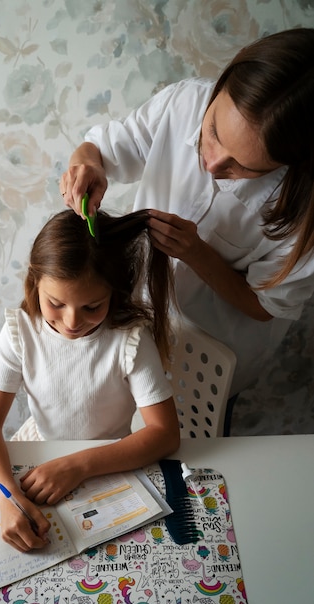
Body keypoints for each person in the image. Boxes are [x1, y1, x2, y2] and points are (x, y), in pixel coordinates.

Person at [60, 28, 314, 428]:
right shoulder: (184, 103)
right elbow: (103, 148)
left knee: (190, 450)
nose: (212, 164)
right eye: (212, 132)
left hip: (209, 361)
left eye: (243, 166)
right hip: (135, 326)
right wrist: (87, 163)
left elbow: (266, 306)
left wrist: (197, 254)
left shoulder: (306, 209)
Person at [0, 209, 180, 553]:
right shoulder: (19, 333)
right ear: (35, 283)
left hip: (111, 459)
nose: (71, 322)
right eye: (56, 303)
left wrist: (79, 464)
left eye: (92, 306)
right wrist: (5, 496)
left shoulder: (129, 340)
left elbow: (165, 433)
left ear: (115, 293)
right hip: (42, 449)